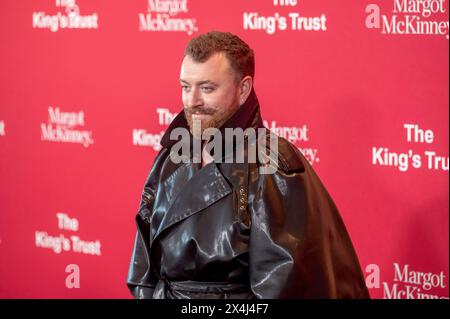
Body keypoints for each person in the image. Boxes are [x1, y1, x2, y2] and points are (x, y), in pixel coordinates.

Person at [126, 31, 370, 299]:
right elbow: (143, 268)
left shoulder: (272, 167)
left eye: (207, 88)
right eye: (186, 86)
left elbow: (282, 288)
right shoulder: (171, 156)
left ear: (243, 89)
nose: (192, 101)